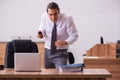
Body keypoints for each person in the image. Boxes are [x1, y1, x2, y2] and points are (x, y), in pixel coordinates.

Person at [37, 2, 78, 68]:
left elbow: (75, 35)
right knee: (48, 74)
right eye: (50, 15)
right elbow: (42, 29)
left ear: (59, 11)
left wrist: (64, 42)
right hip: (47, 51)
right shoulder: (44, 17)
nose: (53, 17)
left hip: (61, 51)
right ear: (47, 13)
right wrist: (40, 34)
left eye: (55, 14)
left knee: (60, 74)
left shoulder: (67, 18)